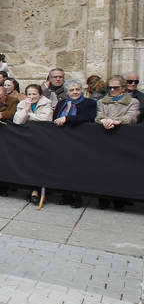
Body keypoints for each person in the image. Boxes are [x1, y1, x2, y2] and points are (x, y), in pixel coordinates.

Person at [53, 80, 97, 208]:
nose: (75, 92)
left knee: (77, 170)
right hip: (62, 141)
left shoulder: (90, 103)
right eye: (72, 90)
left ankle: (78, 198)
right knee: (62, 169)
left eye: (77, 89)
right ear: (67, 92)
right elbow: (55, 118)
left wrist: (67, 119)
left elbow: (88, 117)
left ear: (81, 90)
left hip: (80, 142)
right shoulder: (62, 103)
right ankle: (65, 196)